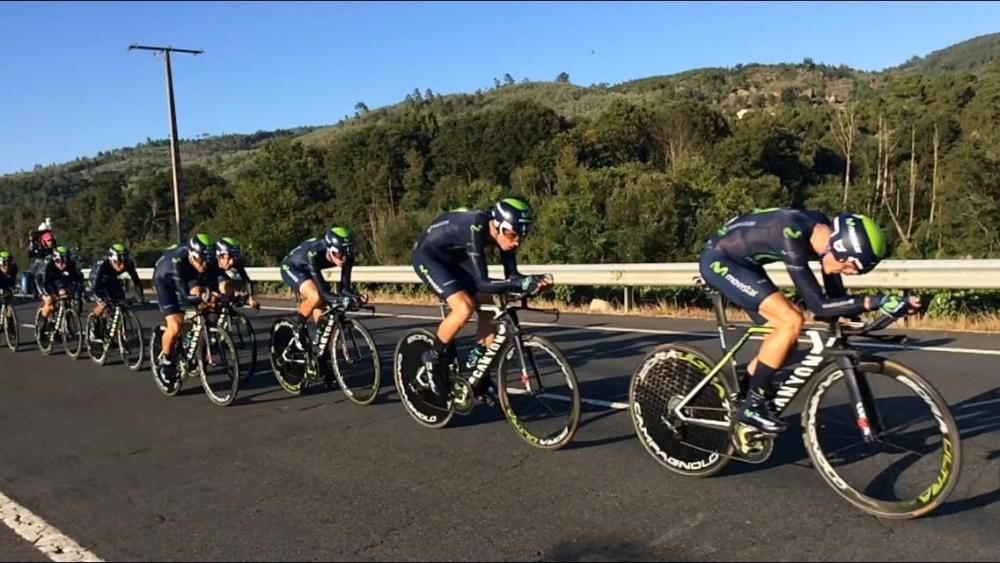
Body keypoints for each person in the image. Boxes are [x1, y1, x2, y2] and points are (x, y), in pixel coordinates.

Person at [698, 208, 920, 452]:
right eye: (847, 267)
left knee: (785, 342)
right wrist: (874, 302)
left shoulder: (826, 238)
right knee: (791, 320)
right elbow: (819, 307)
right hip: (720, 260)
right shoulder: (790, 235)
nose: (845, 272)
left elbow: (836, 298)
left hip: (745, 263)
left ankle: (744, 398)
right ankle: (753, 405)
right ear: (839, 247)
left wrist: (888, 309)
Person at [411, 198, 552, 407]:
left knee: (493, 304)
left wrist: (531, 281)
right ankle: (432, 358)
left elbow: (512, 277)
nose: (516, 242)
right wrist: (521, 284)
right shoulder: (475, 227)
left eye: (521, 236)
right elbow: (483, 282)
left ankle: (479, 369)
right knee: (464, 307)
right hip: (429, 256)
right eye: (513, 235)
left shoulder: (506, 234)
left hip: (456, 257)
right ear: (496, 226)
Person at [151, 234, 225, 381]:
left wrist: (216, 295)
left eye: (208, 260)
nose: (205, 264)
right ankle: (165, 361)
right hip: (164, 280)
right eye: (202, 260)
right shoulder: (177, 262)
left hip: (188, 275)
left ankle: (191, 347)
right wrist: (203, 300)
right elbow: (185, 296)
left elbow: (216, 279)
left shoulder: (206, 260)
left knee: (202, 310)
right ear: (193, 255)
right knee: (176, 323)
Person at [279, 227, 359, 346]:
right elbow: (323, 293)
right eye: (339, 254)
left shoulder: (347, 256)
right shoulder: (314, 255)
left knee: (326, 308)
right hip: (292, 267)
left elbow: (345, 289)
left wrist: (355, 297)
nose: (344, 258)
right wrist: (340, 299)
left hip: (308, 268)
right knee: (316, 296)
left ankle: (320, 343)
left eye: (347, 252)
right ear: (329, 250)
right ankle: (298, 328)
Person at [88, 244, 143, 339]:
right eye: (118, 263)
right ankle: (93, 322)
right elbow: (96, 287)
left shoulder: (128, 263)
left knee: (120, 303)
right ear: (112, 260)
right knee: (104, 304)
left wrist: (141, 297)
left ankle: (116, 334)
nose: (122, 266)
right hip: (97, 280)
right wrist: (103, 299)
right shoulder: (103, 266)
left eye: (124, 262)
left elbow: (136, 281)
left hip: (112, 279)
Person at [36, 245, 85, 331]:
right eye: (60, 261)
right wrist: (52, 294)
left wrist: (77, 292)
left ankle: (66, 323)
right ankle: (41, 327)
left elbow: (78, 279)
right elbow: (45, 283)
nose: (63, 264)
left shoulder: (71, 265)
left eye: (66, 261)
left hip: (60, 281)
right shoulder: (48, 265)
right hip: (43, 282)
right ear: (55, 260)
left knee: (66, 300)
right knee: (50, 302)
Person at [215, 237, 259, 310]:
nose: (232, 262)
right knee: (224, 287)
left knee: (239, 287)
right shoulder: (210, 263)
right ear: (219, 256)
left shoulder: (235, 262)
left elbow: (246, 279)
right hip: (207, 279)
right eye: (228, 258)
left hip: (220, 276)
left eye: (235, 258)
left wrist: (251, 298)